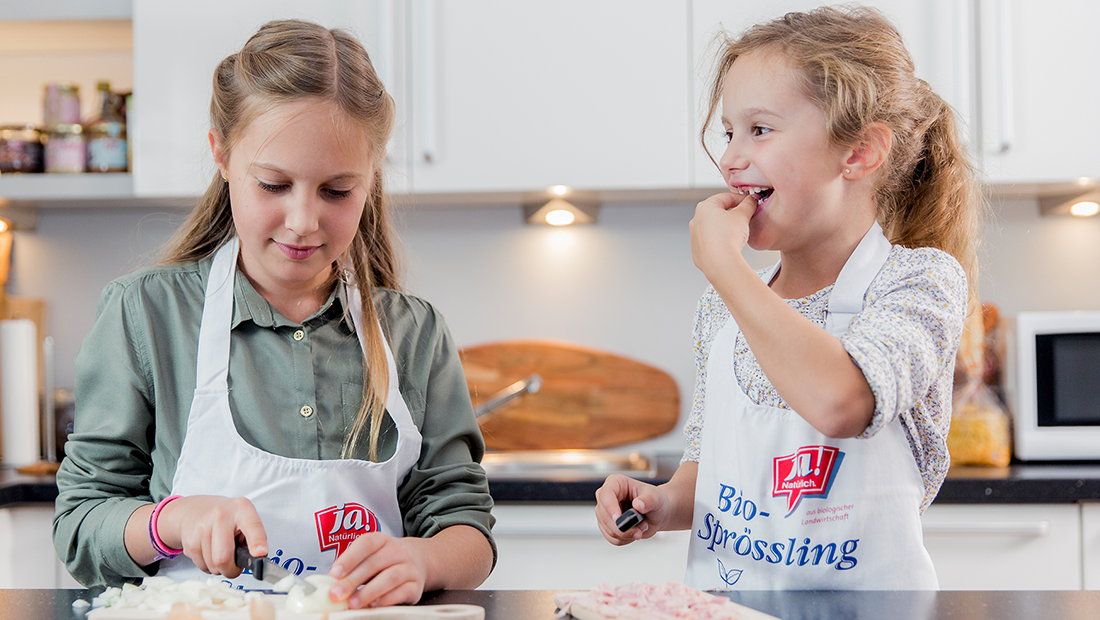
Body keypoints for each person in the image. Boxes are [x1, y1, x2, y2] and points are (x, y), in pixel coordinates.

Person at [53, 19, 495, 608]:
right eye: (273, 184)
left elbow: (466, 525)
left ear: (373, 175)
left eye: (337, 191)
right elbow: (82, 524)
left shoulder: (413, 333)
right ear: (222, 155)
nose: (303, 220)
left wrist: (426, 557)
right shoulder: (148, 315)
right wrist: (174, 522)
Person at [594, 5, 979, 590]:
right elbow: (713, 472)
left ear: (858, 152)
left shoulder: (919, 283)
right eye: (729, 132)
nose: (730, 158)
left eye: (760, 129)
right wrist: (663, 503)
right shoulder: (722, 307)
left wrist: (727, 268)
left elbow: (842, 402)